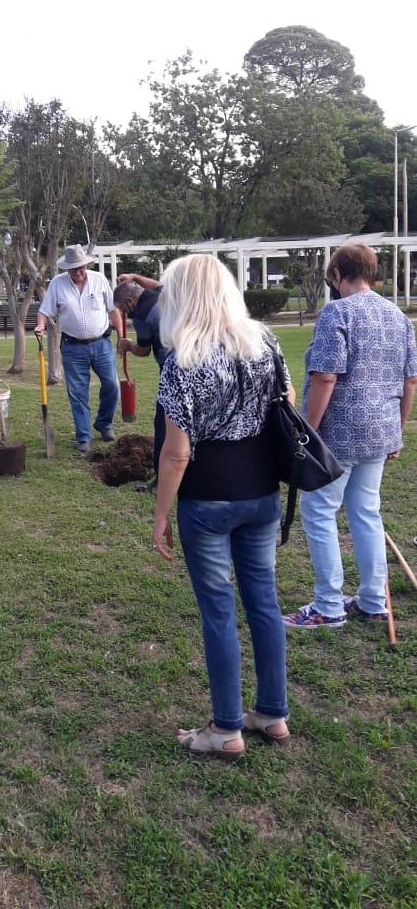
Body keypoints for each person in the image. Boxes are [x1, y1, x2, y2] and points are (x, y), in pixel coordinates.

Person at [152, 253, 294, 758]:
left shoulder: (181, 359)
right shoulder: (265, 342)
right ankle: (273, 713)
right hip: (261, 493)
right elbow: (288, 404)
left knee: (218, 610)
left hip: (206, 496)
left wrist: (161, 513)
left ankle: (227, 727)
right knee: (264, 601)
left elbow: (177, 452)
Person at [282, 242, 417, 629]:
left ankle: (328, 605)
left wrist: (305, 431)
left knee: (320, 510)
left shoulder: (336, 313)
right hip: (381, 430)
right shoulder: (398, 317)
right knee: (366, 512)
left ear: (338, 273)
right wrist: (397, 431)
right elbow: (411, 380)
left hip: (337, 434)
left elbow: (326, 376)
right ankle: (374, 600)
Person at [35, 245, 122, 453]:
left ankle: (104, 423)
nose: (78, 272)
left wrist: (121, 336)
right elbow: (44, 311)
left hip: (101, 344)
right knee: (77, 393)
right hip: (72, 348)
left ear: (86, 265)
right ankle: (84, 436)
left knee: (112, 385)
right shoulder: (57, 284)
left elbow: (113, 310)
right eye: (73, 269)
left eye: (81, 268)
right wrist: (40, 325)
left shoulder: (99, 279)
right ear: (67, 269)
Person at [113, 273, 168, 491]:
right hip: (200, 361)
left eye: (124, 310)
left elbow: (143, 351)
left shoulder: (142, 316)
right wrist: (134, 276)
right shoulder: (160, 294)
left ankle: (160, 481)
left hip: (174, 368)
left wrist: (128, 345)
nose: (125, 315)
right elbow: (156, 284)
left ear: (129, 302)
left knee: (164, 424)